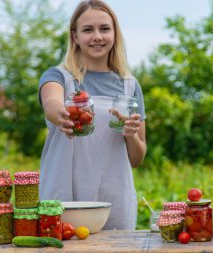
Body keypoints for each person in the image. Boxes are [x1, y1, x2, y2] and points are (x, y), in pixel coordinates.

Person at [38, 0, 146, 230]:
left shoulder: (129, 86)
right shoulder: (59, 77)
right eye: (88, 30)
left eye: (104, 28)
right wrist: (64, 115)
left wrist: (130, 134)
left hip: (113, 200)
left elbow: (137, 158)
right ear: (75, 37)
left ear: (115, 34)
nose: (97, 36)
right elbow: (51, 102)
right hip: (64, 195)